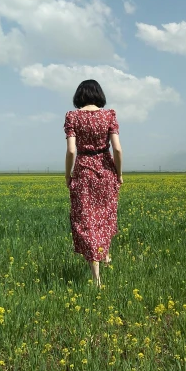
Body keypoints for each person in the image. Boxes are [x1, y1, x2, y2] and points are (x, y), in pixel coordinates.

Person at [63, 80, 123, 287]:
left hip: (83, 171)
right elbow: (117, 149)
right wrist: (119, 173)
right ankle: (104, 254)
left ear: (79, 95)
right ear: (99, 94)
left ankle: (96, 278)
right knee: (105, 216)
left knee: (86, 220)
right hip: (106, 170)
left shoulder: (73, 117)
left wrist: (67, 175)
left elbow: (71, 150)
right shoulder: (109, 115)